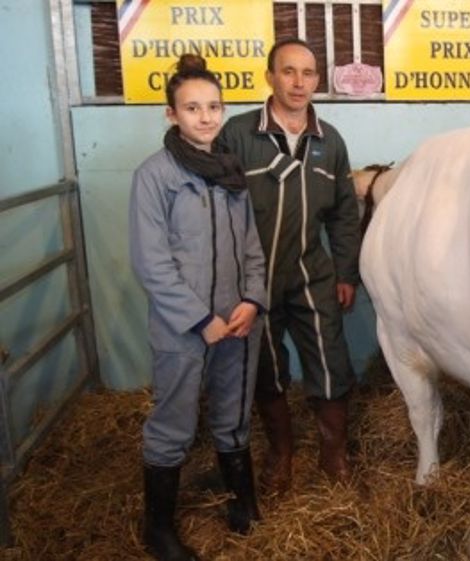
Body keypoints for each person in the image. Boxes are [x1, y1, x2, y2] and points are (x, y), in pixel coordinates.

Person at [129, 54, 266, 560]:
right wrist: (198, 319)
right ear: (172, 115)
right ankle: (159, 530)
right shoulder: (155, 176)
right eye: (192, 108)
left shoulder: (230, 173)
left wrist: (253, 300)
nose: (205, 117)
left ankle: (242, 504)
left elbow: (251, 246)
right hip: (183, 328)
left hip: (236, 322)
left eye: (213, 106)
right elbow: (152, 263)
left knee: (233, 412)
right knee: (174, 421)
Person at [219, 38, 361, 494]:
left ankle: (333, 455)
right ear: (269, 76)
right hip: (253, 280)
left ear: (318, 80)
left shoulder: (330, 140)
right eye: (288, 71)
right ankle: (282, 454)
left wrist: (345, 272)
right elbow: (213, 207)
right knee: (266, 365)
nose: (299, 83)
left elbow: (343, 213)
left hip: (310, 270)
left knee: (330, 358)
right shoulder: (238, 135)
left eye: (308, 73)